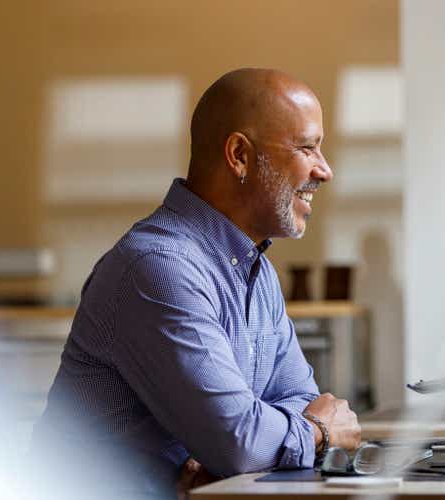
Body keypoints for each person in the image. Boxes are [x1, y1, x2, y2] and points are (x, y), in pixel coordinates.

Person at [32, 68, 361, 499]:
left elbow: (295, 398)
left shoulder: (255, 271)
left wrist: (247, 450)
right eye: (307, 148)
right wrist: (314, 431)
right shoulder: (159, 268)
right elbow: (244, 440)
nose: (325, 171)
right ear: (240, 156)